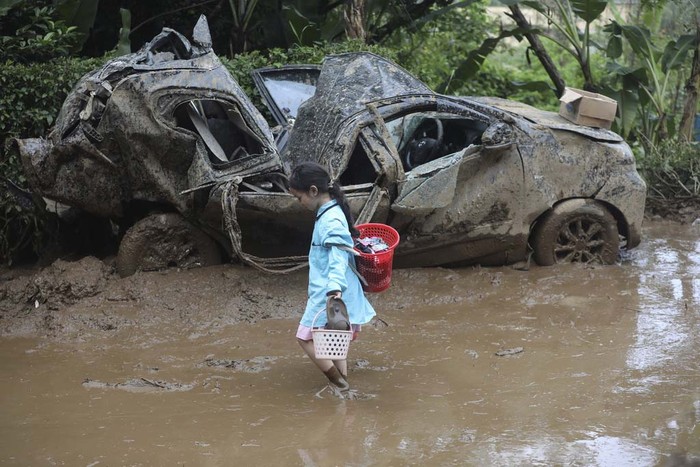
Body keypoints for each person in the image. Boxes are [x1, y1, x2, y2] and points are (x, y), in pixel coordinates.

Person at [288, 161, 376, 392]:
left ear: (313, 191)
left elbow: (338, 256)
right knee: (335, 339)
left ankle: (339, 383)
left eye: (299, 198)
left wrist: (334, 288)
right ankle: (344, 384)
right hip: (336, 285)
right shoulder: (331, 211)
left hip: (329, 288)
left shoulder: (331, 220)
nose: (300, 203)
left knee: (304, 337)